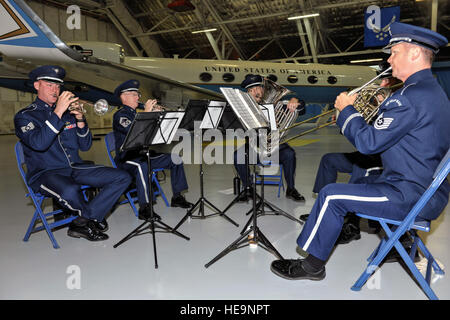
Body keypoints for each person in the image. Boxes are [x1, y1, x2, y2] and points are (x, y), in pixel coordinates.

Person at [270, 22, 450, 281]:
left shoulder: (409, 97)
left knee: (331, 195)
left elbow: (368, 143)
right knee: (361, 176)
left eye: (395, 51)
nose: (390, 58)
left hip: (408, 194)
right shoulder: (432, 92)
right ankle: (398, 241)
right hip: (426, 189)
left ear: (414, 53)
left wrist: (347, 110)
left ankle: (312, 266)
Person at [14, 65, 132, 242]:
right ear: (37, 85)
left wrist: (80, 119)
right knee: (70, 190)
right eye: (49, 85)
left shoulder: (68, 114)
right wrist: (58, 111)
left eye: (58, 86)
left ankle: (83, 221)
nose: (55, 90)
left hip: (74, 167)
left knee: (122, 177)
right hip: (45, 173)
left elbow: (85, 146)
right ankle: (90, 220)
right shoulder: (25, 116)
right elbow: (39, 143)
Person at [299, 62, 402, 245]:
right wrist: (343, 118)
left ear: (390, 82)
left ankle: (352, 226)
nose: (379, 83)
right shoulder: (379, 102)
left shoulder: (396, 106)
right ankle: (320, 209)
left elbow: (373, 141)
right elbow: (359, 134)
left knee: (359, 168)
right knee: (329, 160)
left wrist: (352, 116)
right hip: (368, 153)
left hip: (382, 160)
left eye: (383, 80)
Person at [112, 79, 193, 220]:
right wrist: (147, 113)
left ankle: (177, 197)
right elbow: (135, 133)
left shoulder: (136, 113)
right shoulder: (121, 115)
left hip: (143, 154)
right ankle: (145, 208)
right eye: (133, 94)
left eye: (137, 94)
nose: (138, 97)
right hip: (127, 158)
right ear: (123, 97)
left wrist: (158, 118)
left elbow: (152, 136)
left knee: (176, 159)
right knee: (142, 166)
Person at [234, 74, 306, 202]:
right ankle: (248, 189)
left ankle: (291, 189)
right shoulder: (243, 110)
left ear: (264, 89)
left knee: (290, 154)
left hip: (276, 148)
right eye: (251, 90)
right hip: (254, 148)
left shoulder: (277, 105)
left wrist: (296, 101)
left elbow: (301, 109)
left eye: (257, 87)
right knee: (238, 155)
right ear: (247, 93)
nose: (255, 92)